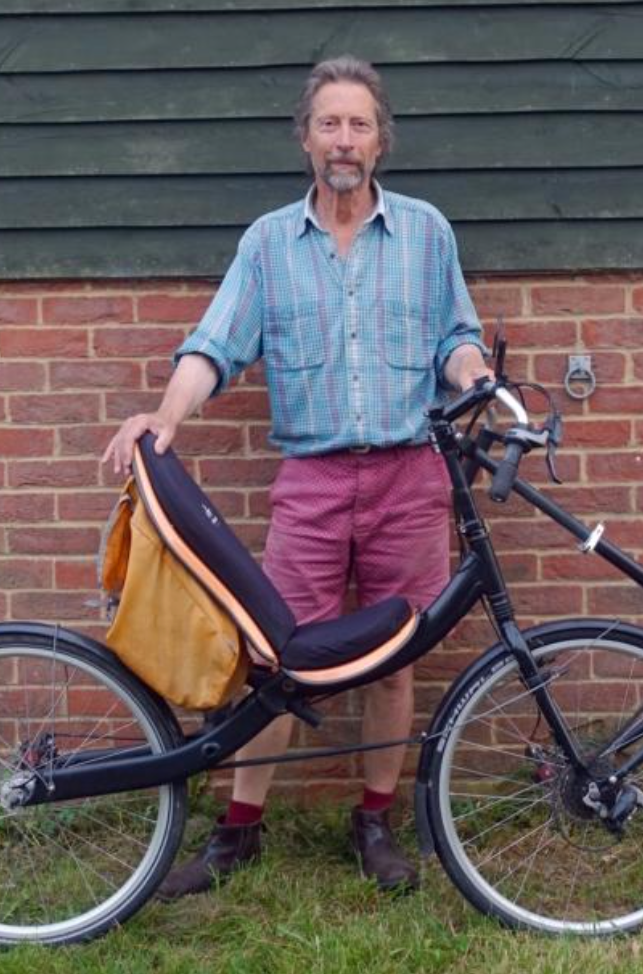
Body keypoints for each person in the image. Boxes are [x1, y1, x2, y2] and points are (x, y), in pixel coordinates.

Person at [101, 55, 491, 898]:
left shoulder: (427, 233)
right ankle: (239, 831)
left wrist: (472, 377)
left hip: (408, 477)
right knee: (273, 661)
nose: (342, 140)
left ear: (381, 140)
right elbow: (215, 346)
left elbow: (456, 336)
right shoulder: (269, 243)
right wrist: (165, 418)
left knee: (396, 659)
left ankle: (376, 819)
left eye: (357, 124)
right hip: (311, 483)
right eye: (328, 124)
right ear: (305, 140)